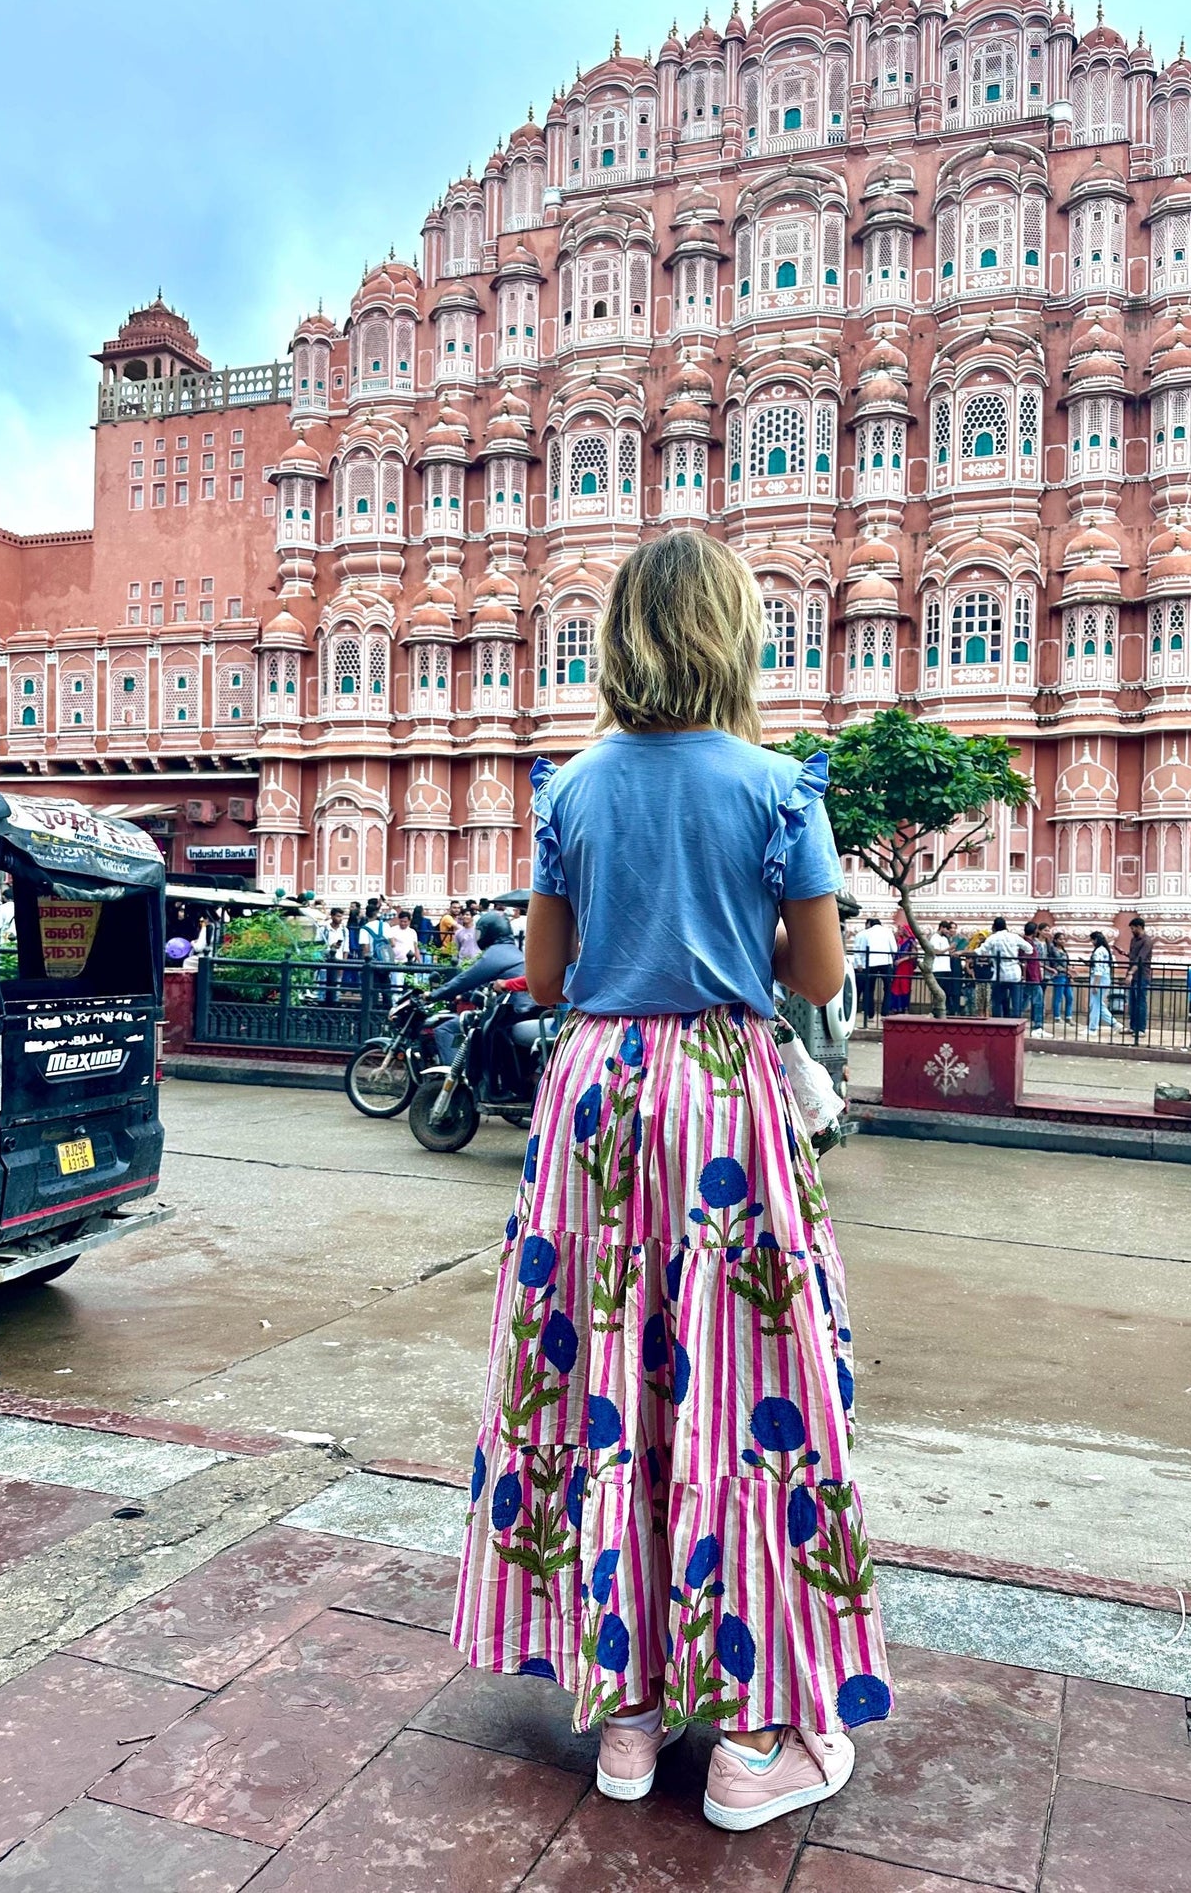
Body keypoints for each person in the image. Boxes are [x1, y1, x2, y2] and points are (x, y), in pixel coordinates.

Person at [453, 534, 891, 1831]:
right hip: (714, 1089)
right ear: (733, 637)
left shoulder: (572, 787)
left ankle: (629, 1720)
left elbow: (540, 976)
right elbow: (814, 979)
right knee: (743, 1387)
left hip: (592, 1092)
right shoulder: (775, 787)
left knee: (608, 1378)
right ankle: (756, 1738)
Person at [426, 909, 525, 1064]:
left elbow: (465, 980)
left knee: (445, 1029)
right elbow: (482, 984)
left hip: (511, 1013)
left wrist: (432, 995)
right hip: (522, 1011)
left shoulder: (496, 954)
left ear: (488, 932)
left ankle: (456, 1080)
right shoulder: (515, 952)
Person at [979, 916, 1031, 1018]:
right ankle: (1015, 1023)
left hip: (1000, 974)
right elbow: (1029, 949)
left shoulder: (992, 938)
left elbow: (980, 951)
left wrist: (962, 952)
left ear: (993, 927)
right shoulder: (1014, 937)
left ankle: (998, 1023)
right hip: (1014, 973)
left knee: (996, 1002)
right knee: (1016, 1002)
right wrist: (1019, 959)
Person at [852, 917, 897, 1023]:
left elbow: (862, 949)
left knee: (869, 989)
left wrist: (859, 962)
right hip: (885, 962)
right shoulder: (888, 931)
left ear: (870, 924)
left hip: (870, 962)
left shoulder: (866, 933)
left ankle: (870, 1013)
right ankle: (885, 1012)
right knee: (887, 988)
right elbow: (894, 949)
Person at [1122, 916, 1154, 1045]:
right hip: (1134, 973)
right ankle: (1133, 1026)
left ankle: (1141, 1028)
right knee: (1133, 1001)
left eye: (1133, 928)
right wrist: (1126, 954)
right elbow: (1134, 957)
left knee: (1141, 1001)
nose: (1132, 930)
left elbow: (1141, 959)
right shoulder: (1133, 940)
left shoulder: (1147, 941)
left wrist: (1130, 973)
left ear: (1139, 927)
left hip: (1142, 974)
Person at [1087, 931, 1117, 1034]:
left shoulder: (1098, 951)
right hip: (1105, 978)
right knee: (1098, 1003)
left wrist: (1095, 983)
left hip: (1099, 978)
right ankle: (1114, 1024)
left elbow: (1098, 968)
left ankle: (1093, 1028)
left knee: (1095, 1004)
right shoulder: (1105, 950)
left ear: (1095, 940)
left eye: (1091, 940)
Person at [1022, 921, 1047, 1033]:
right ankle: (1038, 1025)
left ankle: (1015, 1019)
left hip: (1033, 975)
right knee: (1038, 1001)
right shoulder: (1027, 944)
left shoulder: (1028, 942)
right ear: (1035, 931)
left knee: (1024, 1001)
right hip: (1032, 976)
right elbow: (1025, 961)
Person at [1046, 931, 1073, 1030]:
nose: (1063, 941)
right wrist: (1067, 971)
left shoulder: (1063, 950)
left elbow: (1067, 963)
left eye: (1063, 939)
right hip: (1059, 975)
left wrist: (1070, 972)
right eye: (1060, 939)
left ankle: (1068, 1017)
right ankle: (1057, 1017)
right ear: (1056, 940)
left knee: (1070, 997)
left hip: (1066, 975)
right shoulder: (1053, 950)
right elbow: (1055, 963)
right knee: (1058, 997)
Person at [930, 919, 958, 1015]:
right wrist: (949, 948)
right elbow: (936, 952)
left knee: (947, 992)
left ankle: (946, 1010)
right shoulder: (934, 938)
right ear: (942, 928)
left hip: (946, 968)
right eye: (946, 930)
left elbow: (946, 952)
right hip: (938, 968)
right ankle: (936, 1011)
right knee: (938, 992)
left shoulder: (945, 939)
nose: (947, 932)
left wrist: (952, 951)